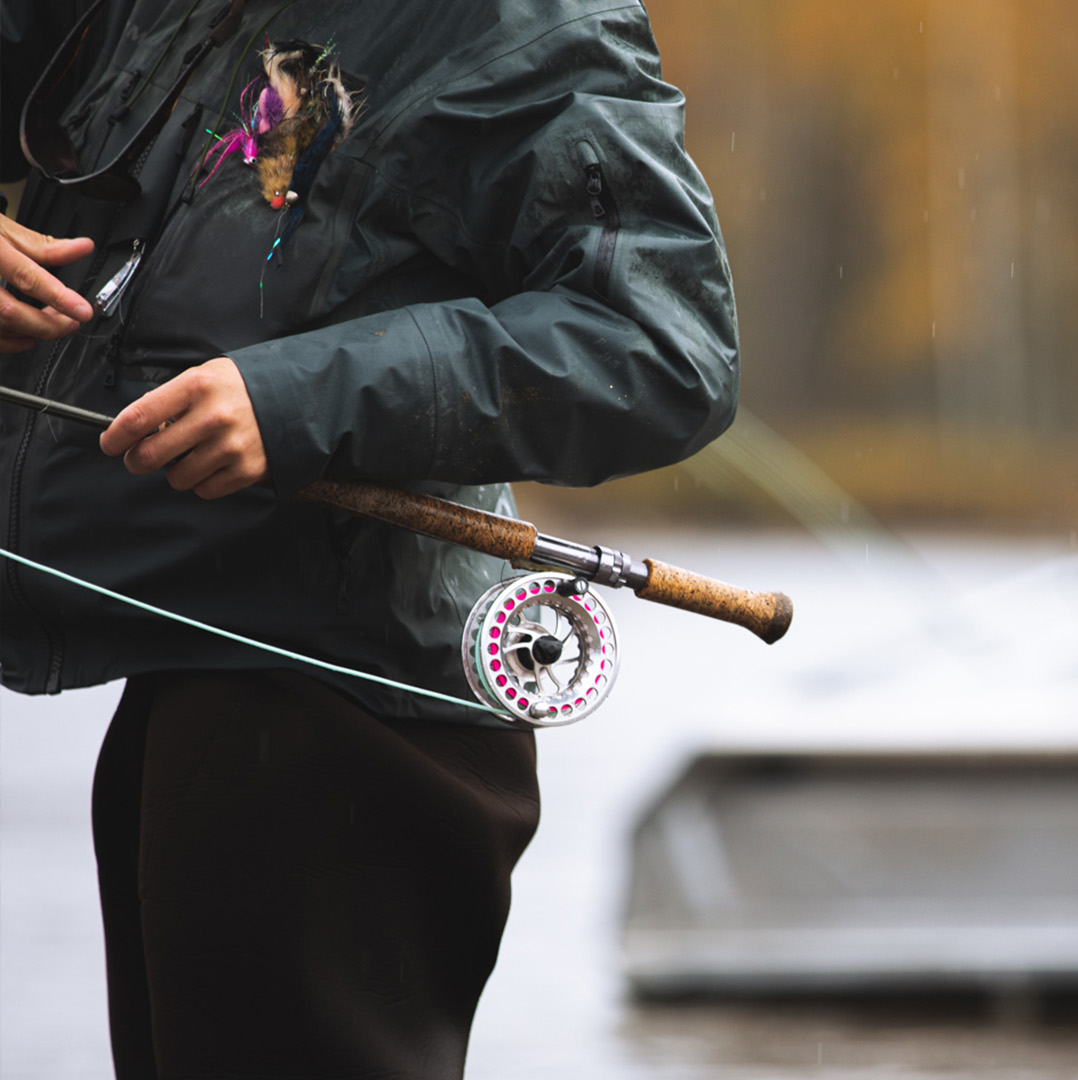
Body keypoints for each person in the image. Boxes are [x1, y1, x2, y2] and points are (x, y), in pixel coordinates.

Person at [0, 0, 738, 1075]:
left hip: (350, 722)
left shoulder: (525, 25)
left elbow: (666, 344)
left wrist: (302, 397)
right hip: (184, 680)